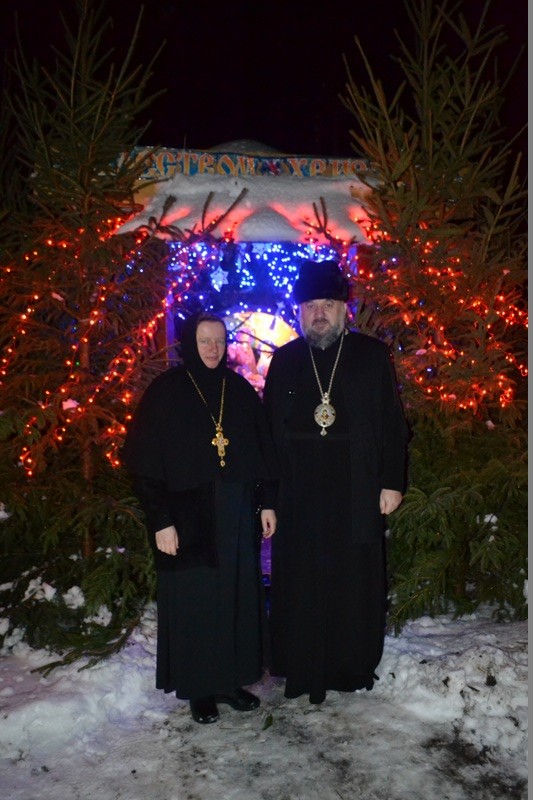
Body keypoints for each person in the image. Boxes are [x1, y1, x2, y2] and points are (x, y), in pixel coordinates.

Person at [262, 259, 409, 705]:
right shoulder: (286, 360)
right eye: (311, 306)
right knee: (301, 580)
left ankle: (349, 666)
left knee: (351, 580)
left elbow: (392, 424)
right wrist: (267, 499)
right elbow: (267, 435)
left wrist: (392, 481)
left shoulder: (370, 355)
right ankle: (302, 667)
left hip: (354, 487)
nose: (319, 313)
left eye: (328, 304)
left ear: (344, 309)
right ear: (300, 312)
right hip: (298, 492)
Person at [122, 311, 278, 724]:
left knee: (234, 598)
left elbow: (263, 453)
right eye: (205, 340)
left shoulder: (238, 390)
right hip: (187, 517)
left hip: (237, 514)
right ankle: (200, 689)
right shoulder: (166, 391)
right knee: (196, 602)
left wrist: (267, 502)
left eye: (220, 341)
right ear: (190, 343)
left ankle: (230, 680)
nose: (213, 348)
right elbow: (144, 463)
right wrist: (161, 520)